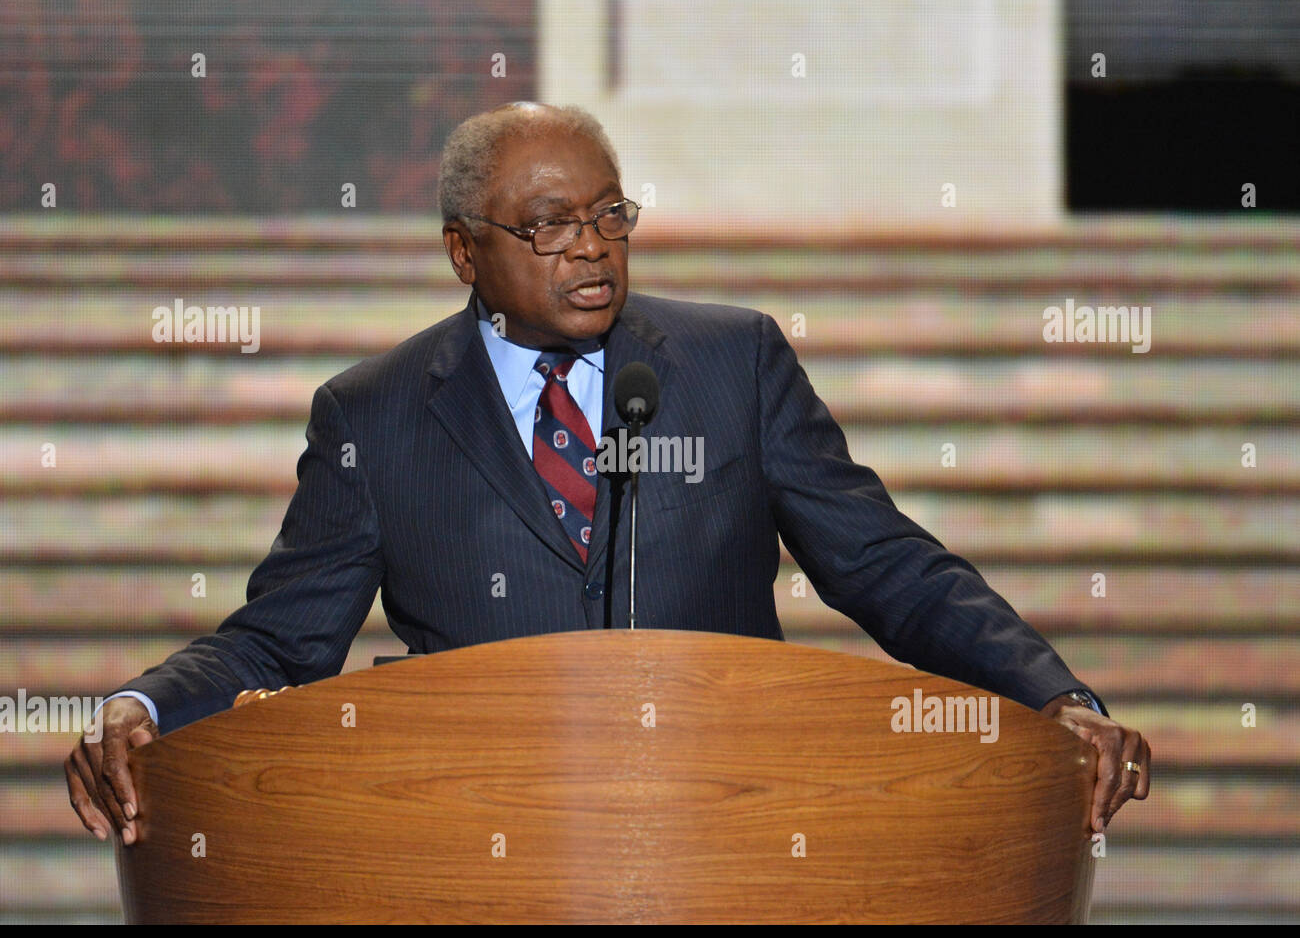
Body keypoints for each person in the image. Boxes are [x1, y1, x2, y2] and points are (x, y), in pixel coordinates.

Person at [66, 101, 1150, 849]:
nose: (590, 248)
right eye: (548, 225)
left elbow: (886, 567)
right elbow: (281, 640)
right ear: (462, 250)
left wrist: (1052, 694)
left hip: (729, 831)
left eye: (608, 215)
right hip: (480, 844)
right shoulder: (375, 413)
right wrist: (144, 707)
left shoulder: (733, 362)